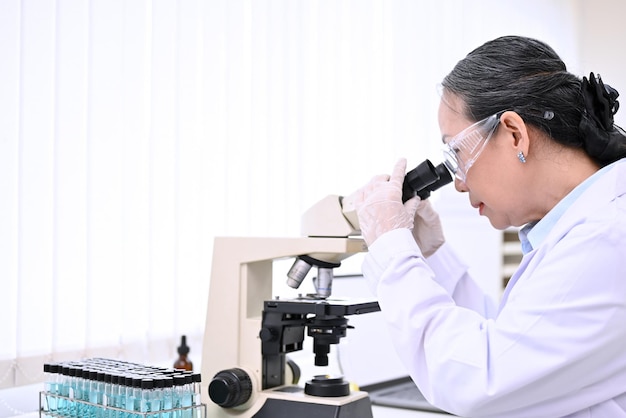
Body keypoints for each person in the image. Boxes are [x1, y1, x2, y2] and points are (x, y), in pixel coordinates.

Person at [352, 35, 626, 417]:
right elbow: (515, 341)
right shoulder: (592, 227)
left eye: (457, 153)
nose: (459, 182)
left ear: (515, 134)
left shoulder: (606, 239)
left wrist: (392, 251)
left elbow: (479, 381)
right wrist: (432, 254)